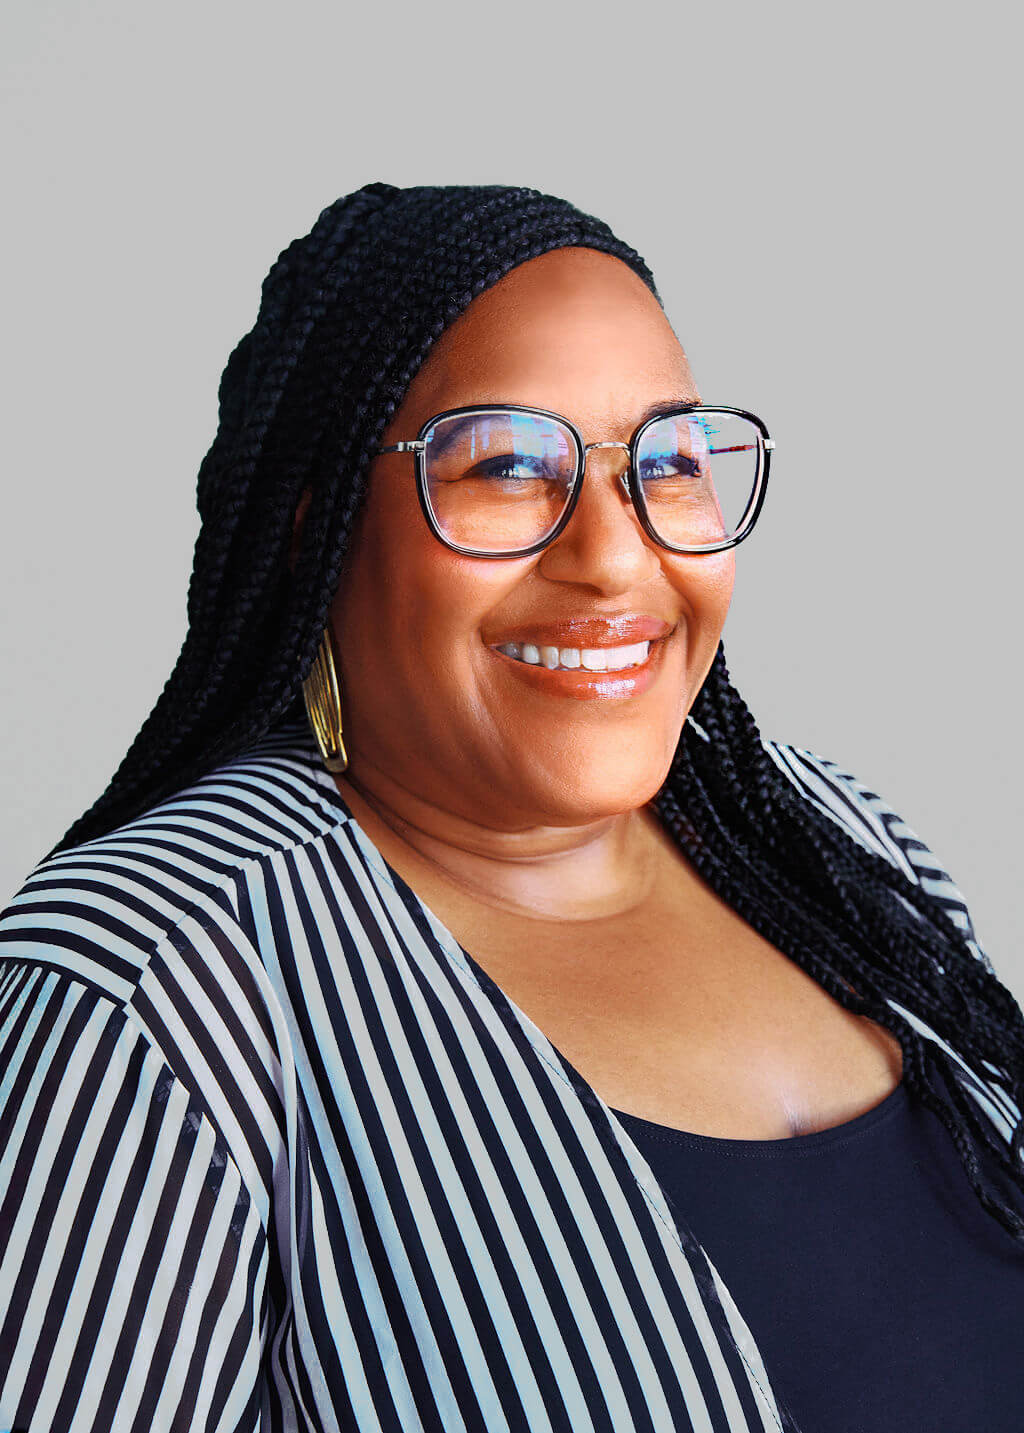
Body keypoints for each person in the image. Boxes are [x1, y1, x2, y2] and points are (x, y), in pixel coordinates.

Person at [0, 182, 1022, 1433]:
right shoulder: (156, 982)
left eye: (672, 460)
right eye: (505, 466)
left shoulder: (839, 843)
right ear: (312, 532)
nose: (612, 550)